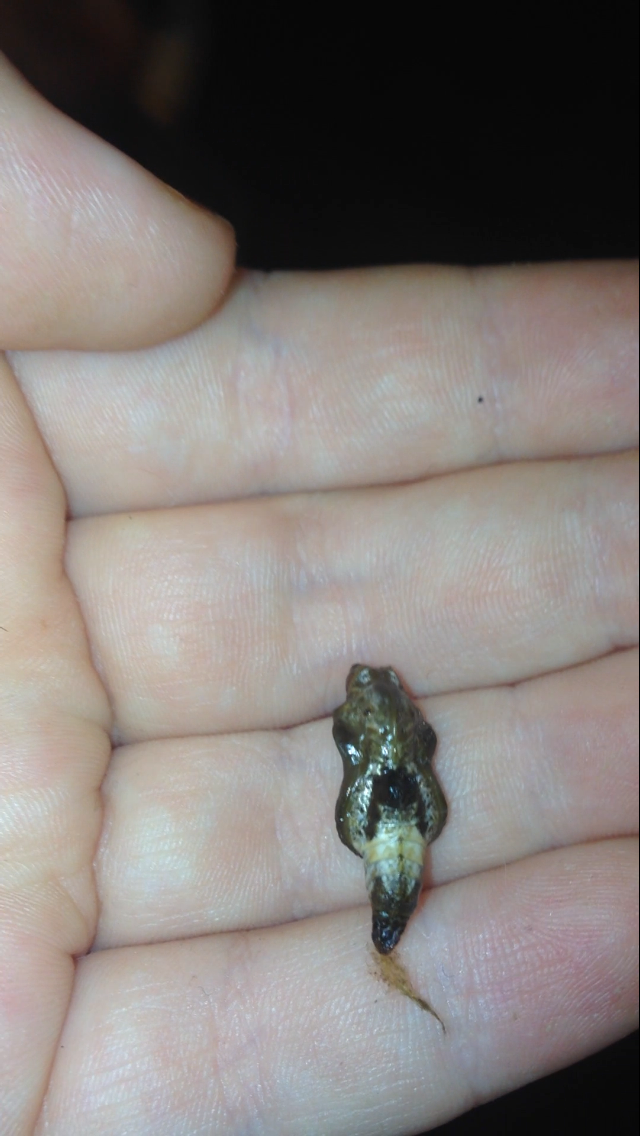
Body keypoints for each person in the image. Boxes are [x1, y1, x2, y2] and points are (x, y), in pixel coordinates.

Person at [0, 52, 637, 1135]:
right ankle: (391, 935)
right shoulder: (381, 751)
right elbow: (392, 774)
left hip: (389, 808)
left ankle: (392, 933)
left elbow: (392, 775)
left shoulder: (382, 754)